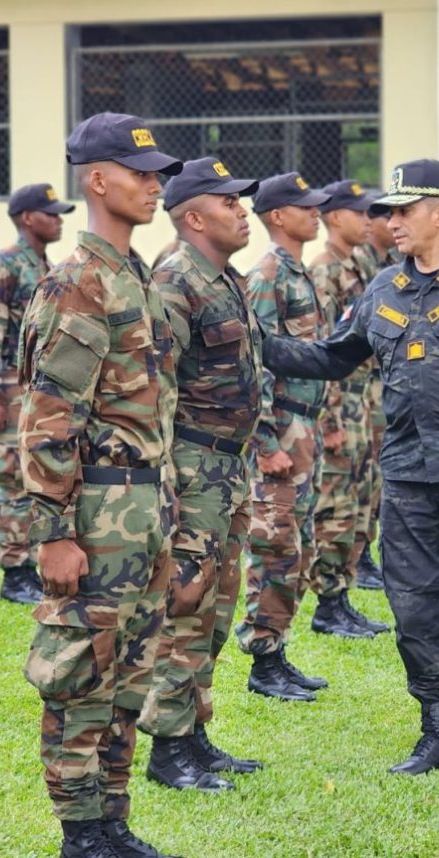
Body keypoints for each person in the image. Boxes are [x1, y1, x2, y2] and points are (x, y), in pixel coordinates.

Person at [260, 159, 439, 775]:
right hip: (407, 476)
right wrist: (249, 340)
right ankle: (437, 729)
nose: (390, 222)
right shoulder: (382, 289)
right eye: (387, 212)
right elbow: (333, 357)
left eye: (403, 211)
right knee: (415, 608)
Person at [18, 112, 182, 858]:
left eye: (157, 175)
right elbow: (50, 417)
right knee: (83, 669)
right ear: (98, 179)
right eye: (138, 173)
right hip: (97, 508)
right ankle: (80, 831)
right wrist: (52, 531)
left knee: (132, 668)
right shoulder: (78, 281)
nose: (153, 187)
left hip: (145, 503)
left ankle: (113, 818)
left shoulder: (133, 276)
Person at [138, 157, 262, 793]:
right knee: (184, 602)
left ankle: (193, 731)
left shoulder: (225, 277)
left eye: (242, 202)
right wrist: (166, 487)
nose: (243, 211)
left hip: (227, 469)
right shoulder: (173, 281)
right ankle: (166, 748)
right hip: (190, 468)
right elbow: (155, 394)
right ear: (194, 217)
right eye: (230, 202)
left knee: (216, 606)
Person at [232, 172, 334, 702]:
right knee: (274, 544)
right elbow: (257, 364)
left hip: (305, 427)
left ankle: (279, 649)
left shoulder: (299, 273)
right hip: (281, 429)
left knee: (299, 544)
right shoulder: (267, 275)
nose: (315, 212)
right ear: (276, 215)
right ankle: (262, 659)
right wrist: (266, 442)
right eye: (305, 206)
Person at [0, 182, 74, 603]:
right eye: (50, 213)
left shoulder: (44, 265)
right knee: (13, 478)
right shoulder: (6, 265)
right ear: (27, 218)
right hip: (11, 392)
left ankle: (31, 563)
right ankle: (14, 573)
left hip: (39, 391)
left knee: (39, 475)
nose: (59, 219)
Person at [306, 179, 389, 639]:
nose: (366, 220)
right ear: (334, 216)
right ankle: (328, 602)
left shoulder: (355, 267)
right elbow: (323, 349)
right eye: (359, 213)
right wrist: (331, 417)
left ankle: (344, 592)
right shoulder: (325, 271)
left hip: (363, 398)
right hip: (341, 401)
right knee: (336, 501)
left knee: (359, 496)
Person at [352, 188, 403, 591]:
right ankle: (357, 560)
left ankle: (364, 555)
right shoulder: (347, 267)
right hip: (352, 396)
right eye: (384, 214)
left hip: (375, 394)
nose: (391, 222)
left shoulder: (392, 266)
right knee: (350, 486)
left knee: (372, 481)